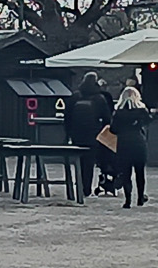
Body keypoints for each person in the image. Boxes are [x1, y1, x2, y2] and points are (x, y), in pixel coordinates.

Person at [64, 72, 111, 201]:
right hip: (93, 135)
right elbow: (107, 119)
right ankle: (86, 189)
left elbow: (67, 117)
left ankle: (76, 185)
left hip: (76, 135)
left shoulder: (75, 96)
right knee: (89, 163)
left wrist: (68, 134)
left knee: (78, 161)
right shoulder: (99, 98)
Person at [109, 84, 150, 208]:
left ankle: (127, 200)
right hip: (138, 142)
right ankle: (140, 197)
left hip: (124, 144)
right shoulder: (141, 111)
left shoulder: (119, 112)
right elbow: (149, 120)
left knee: (126, 172)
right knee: (140, 172)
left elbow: (113, 129)